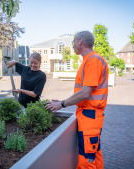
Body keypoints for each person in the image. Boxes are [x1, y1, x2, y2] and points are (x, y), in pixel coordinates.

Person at [45, 31, 108, 169]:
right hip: (89, 116)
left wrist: (61, 104)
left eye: (73, 41)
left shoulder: (93, 60)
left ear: (80, 41)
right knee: (94, 156)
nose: (72, 45)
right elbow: (85, 92)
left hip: (90, 116)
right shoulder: (90, 59)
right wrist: (63, 101)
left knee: (87, 160)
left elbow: (85, 93)